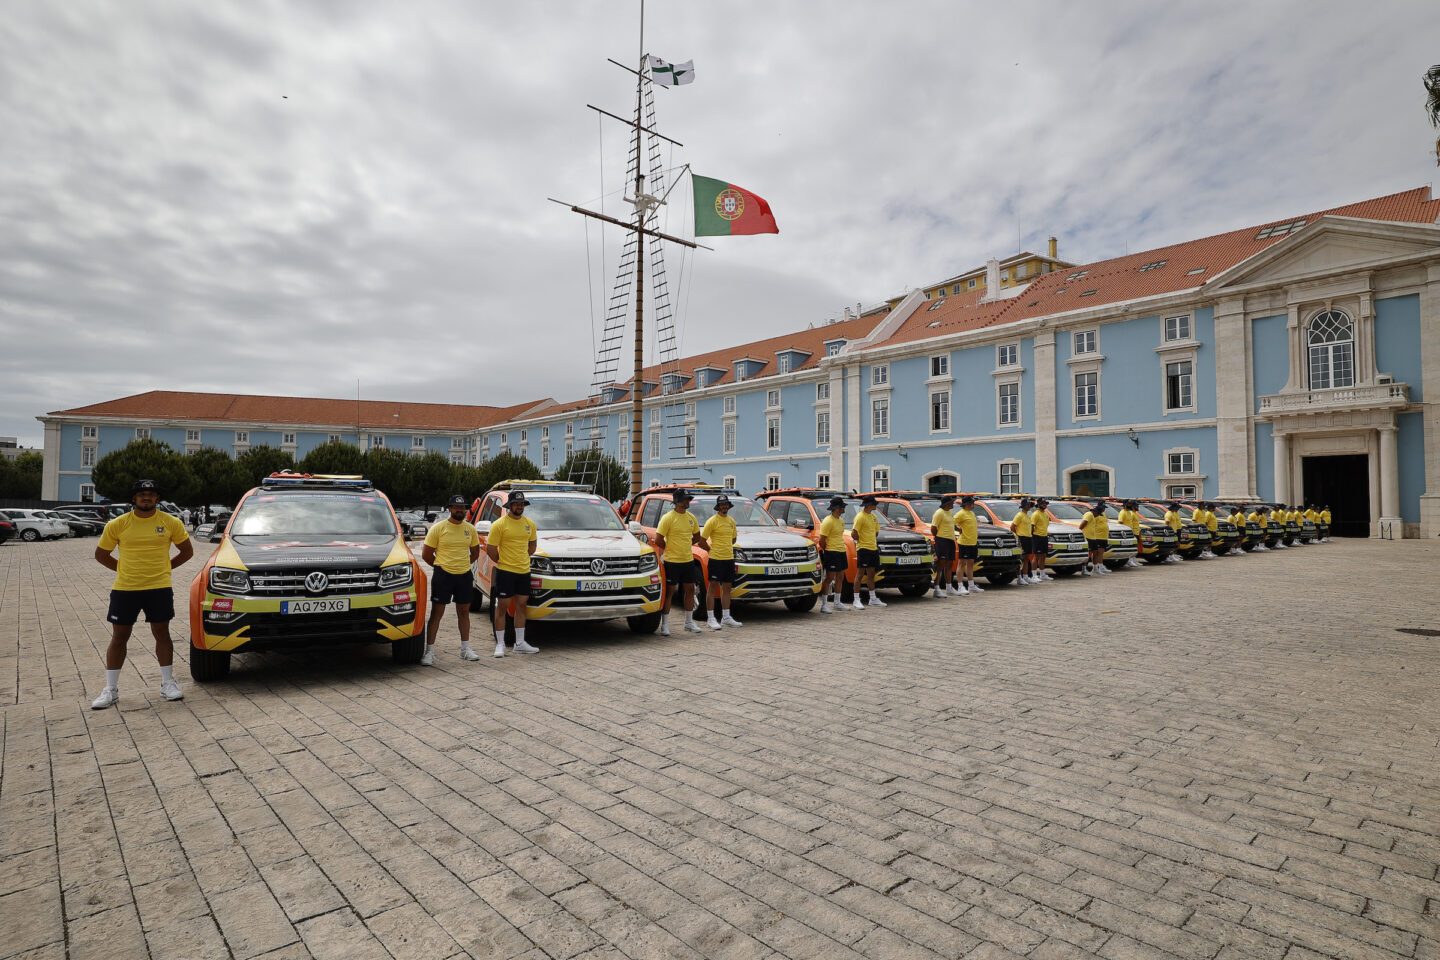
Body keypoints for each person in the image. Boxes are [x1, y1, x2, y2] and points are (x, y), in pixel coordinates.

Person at [90, 479, 194, 709]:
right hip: (125, 588)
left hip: (159, 587)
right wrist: (124, 569)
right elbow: (101, 554)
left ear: (157, 498)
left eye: (151, 494)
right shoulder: (118, 524)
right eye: (141, 494)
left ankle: (168, 683)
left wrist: (167, 568)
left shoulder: (171, 522)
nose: (146, 497)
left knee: (162, 633)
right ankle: (111, 689)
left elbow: (187, 551)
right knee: (119, 637)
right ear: (134, 498)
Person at [421, 494, 482, 663]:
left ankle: (465, 649)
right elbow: (426, 554)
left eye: (462, 508)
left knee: (464, 612)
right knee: (437, 613)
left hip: (464, 575)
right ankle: (429, 652)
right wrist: (441, 565)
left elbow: (475, 552)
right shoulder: (438, 528)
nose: (460, 510)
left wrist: (462, 564)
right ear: (450, 509)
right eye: (456, 507)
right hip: (443, 575)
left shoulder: (470, 529)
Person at [488, 490, 540, 657]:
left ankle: (519, 643)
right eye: (516, 503)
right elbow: (491, 549)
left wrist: (521, 558)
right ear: (509, 505)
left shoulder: (530, 524)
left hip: (524, 571)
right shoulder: (500, 524)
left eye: (522, 504)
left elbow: (532, 546)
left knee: (522, 606)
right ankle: (501, 644)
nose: (519, 506)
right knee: (502, 606)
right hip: (505, 571)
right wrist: (503, 561)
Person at [654, 489, 705, 635]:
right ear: (677, 501)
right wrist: (671, 548)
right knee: (669, 592)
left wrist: (686, 544)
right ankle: (665, 625)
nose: (687, 501)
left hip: (688, 560)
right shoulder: (668, 518)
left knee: (690, 590)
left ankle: (689, 622)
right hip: (672, 561)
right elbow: (658, 539)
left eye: (688, 499)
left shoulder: (691, 518)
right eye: (685, 499)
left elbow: (697, 536)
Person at [701, 495, 742, 629]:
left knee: (727, 588)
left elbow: (733, 539)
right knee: (712, 587)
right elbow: (702, 540)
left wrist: (725, 546)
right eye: (722, 504)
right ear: (718, 507)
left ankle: (726, 617)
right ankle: (711, 618)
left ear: (728, 506)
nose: (724, 506)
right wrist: (710, 550)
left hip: (728, 558)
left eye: (726, 504)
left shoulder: (731, 521)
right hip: (715, 559)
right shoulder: (712, 521)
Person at [850, 495, 884, 609]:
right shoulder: (860, 517)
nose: (875, 505)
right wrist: (863, 541)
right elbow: (854, 533)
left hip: (873, 549)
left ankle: (872, 598)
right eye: (874, 504)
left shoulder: (874, 517)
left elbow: (876, 532)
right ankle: (856, 599)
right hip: (863, 549)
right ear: (869, 505)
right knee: (859, 574)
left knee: (871, 575)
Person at [818, 496, 850, 613]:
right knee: (829, 578)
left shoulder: (841, 521)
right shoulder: (828, 521)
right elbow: (822, 540)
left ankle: (837, 602)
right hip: (831, 552)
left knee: (840, 577)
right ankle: (824, 604)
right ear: (837, 508)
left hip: (841, 552)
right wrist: (829, 550)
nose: (844, 508)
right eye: (842, 507)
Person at [953, 496, 983, 594]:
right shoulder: (960, 514)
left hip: (972, 542)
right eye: (972, 503)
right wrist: (958, 530)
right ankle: (960, 586)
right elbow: (951, 523)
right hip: (964, 542)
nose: (973, 504)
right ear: (967, 504)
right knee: (961, 564)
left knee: (970, 564)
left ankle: (971, 585)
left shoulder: (972, 513)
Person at [931, 494, 958, 598]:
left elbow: (952, 524)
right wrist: (939, 537)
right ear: (947, 503)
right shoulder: (939, 513)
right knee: (940, 565)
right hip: (942, 540)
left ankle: (949, 587)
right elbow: (933, 528)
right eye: (952, 502)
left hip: (951, 540)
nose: (953, 504)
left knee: (950, 564)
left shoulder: (950, 513)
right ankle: (937, 589)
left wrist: (958, 530)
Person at [1080, 500, 1109, 575]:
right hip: (1087, 537)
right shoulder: (1089, 514)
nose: (1098, 515)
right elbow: (1082, 525)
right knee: (1088, 554)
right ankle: (1084, 569)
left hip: (1093, 537)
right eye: (1098, 514)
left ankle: (1095, 568)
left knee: (1095, 552)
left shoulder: (1093, 515)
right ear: (1095, 511)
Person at [1009, 498, 1034, 586]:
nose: (1029, 506)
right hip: (1022, 538)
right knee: (1020, 559)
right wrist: (1018, 537)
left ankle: (1026, 576)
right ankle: (1019, 578)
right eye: (1027, 504)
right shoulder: (1019, 515)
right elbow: (1012, 527)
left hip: (1028, 538)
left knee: (1027, 559)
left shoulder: (1028, 515)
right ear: (1023, 506)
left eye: (1029, 504)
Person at [1029, 498, 1051, 582]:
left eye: (1045, 503)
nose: (1044, 504)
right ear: (1038, 505)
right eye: (1042, 503)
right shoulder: (1035, 514)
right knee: (1036, 556)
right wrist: (1032, 537)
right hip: (1037, 537)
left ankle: (1042, 574)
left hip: (1044, 536)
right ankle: (1034, 575)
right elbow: (1032, 526)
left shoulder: (1046, 514)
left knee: (1043, 555)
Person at [1118, 500, 1144, 567]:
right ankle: (1128, 561)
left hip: (1133, 531)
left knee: (1134, 547)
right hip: (1127, 533)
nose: (1137, 507)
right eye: (1129, 504)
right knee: (1129, 547)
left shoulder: (1130, 513)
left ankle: (1133, 560)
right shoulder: (1123, 512)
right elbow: (1120, 523)